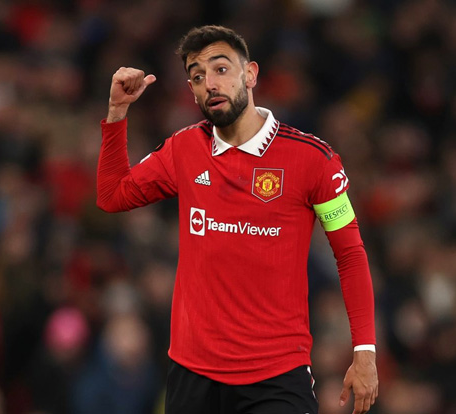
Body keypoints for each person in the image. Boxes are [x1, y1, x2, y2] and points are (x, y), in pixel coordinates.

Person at [97, 25, 378, 414]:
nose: (210, 84)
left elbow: (350, 254)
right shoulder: (184, 149)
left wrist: (364, 351)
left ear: (250, 74)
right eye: (197, 77)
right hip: (193, 375)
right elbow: (112, 196)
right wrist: (117, 113)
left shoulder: (315, 160)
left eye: (221, 69)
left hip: (277, 377)